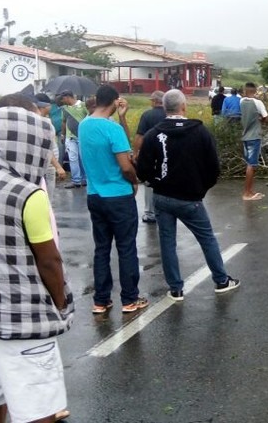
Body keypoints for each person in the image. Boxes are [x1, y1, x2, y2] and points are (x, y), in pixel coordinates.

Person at [0, 101, 74, 423]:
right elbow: (49, 260)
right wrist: (60, 302)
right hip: (21, 321)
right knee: (38, 410)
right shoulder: (28, 193)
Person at [135, 89, 241, 300]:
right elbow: (214, 167)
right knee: (207, 238)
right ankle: (221, 280)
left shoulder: (153, 134)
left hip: (163, 196)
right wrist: (201, 188)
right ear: (184, 106)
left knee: (167, 242)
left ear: (164, 108)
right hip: (191, 198)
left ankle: (175, 289)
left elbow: (143, 169)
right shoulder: (200, 132)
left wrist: (154, 181)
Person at [79, 86, 147, 315]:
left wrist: (121, 117)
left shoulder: (84, 125)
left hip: (94, 195)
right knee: (126, 247)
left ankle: (101, 300)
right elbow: (126, 165)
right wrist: (135, 180)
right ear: (115, 102)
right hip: (118, 195)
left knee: (102, 248)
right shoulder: (113, 129)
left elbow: (120, 147)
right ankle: (129, 299)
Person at [133, 91, 167, 223]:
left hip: (150, 154)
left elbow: (139, 136)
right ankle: (164, 210)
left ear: (154, 101)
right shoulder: (169, 115)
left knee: (149, 182)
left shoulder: (147, 115)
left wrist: (136, 153)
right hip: (167, 153)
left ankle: (150, 213)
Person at [240, 82, 268, 201]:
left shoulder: (241, 102)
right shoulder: (258, 103)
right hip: (254, 137)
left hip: (245, 136)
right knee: (251, 165)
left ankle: (250, 190)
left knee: (249, 164)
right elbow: (267, 118)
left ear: (245, 91)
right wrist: (261, 119)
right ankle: (247, 193)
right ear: (255, 91)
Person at [33, 94, 68, 193]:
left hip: (48, 164)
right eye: (49, 104)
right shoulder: (43, 123)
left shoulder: (41, 120)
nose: (51, 107)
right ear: (44, 106)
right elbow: (46, 147)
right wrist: (58, 166)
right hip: (48, 165)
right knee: (48, 192)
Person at [57, 90, 88, 189]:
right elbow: (64, 122)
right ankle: (76, 181)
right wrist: (63, 134)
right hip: (70, 138)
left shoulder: (83, 105)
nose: (62, 101)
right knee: (73, 159)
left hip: (82, 137)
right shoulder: (65, 109)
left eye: (63, 98)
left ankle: (84, 179)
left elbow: (89, 118)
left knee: (82, 159)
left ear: (67, 97)